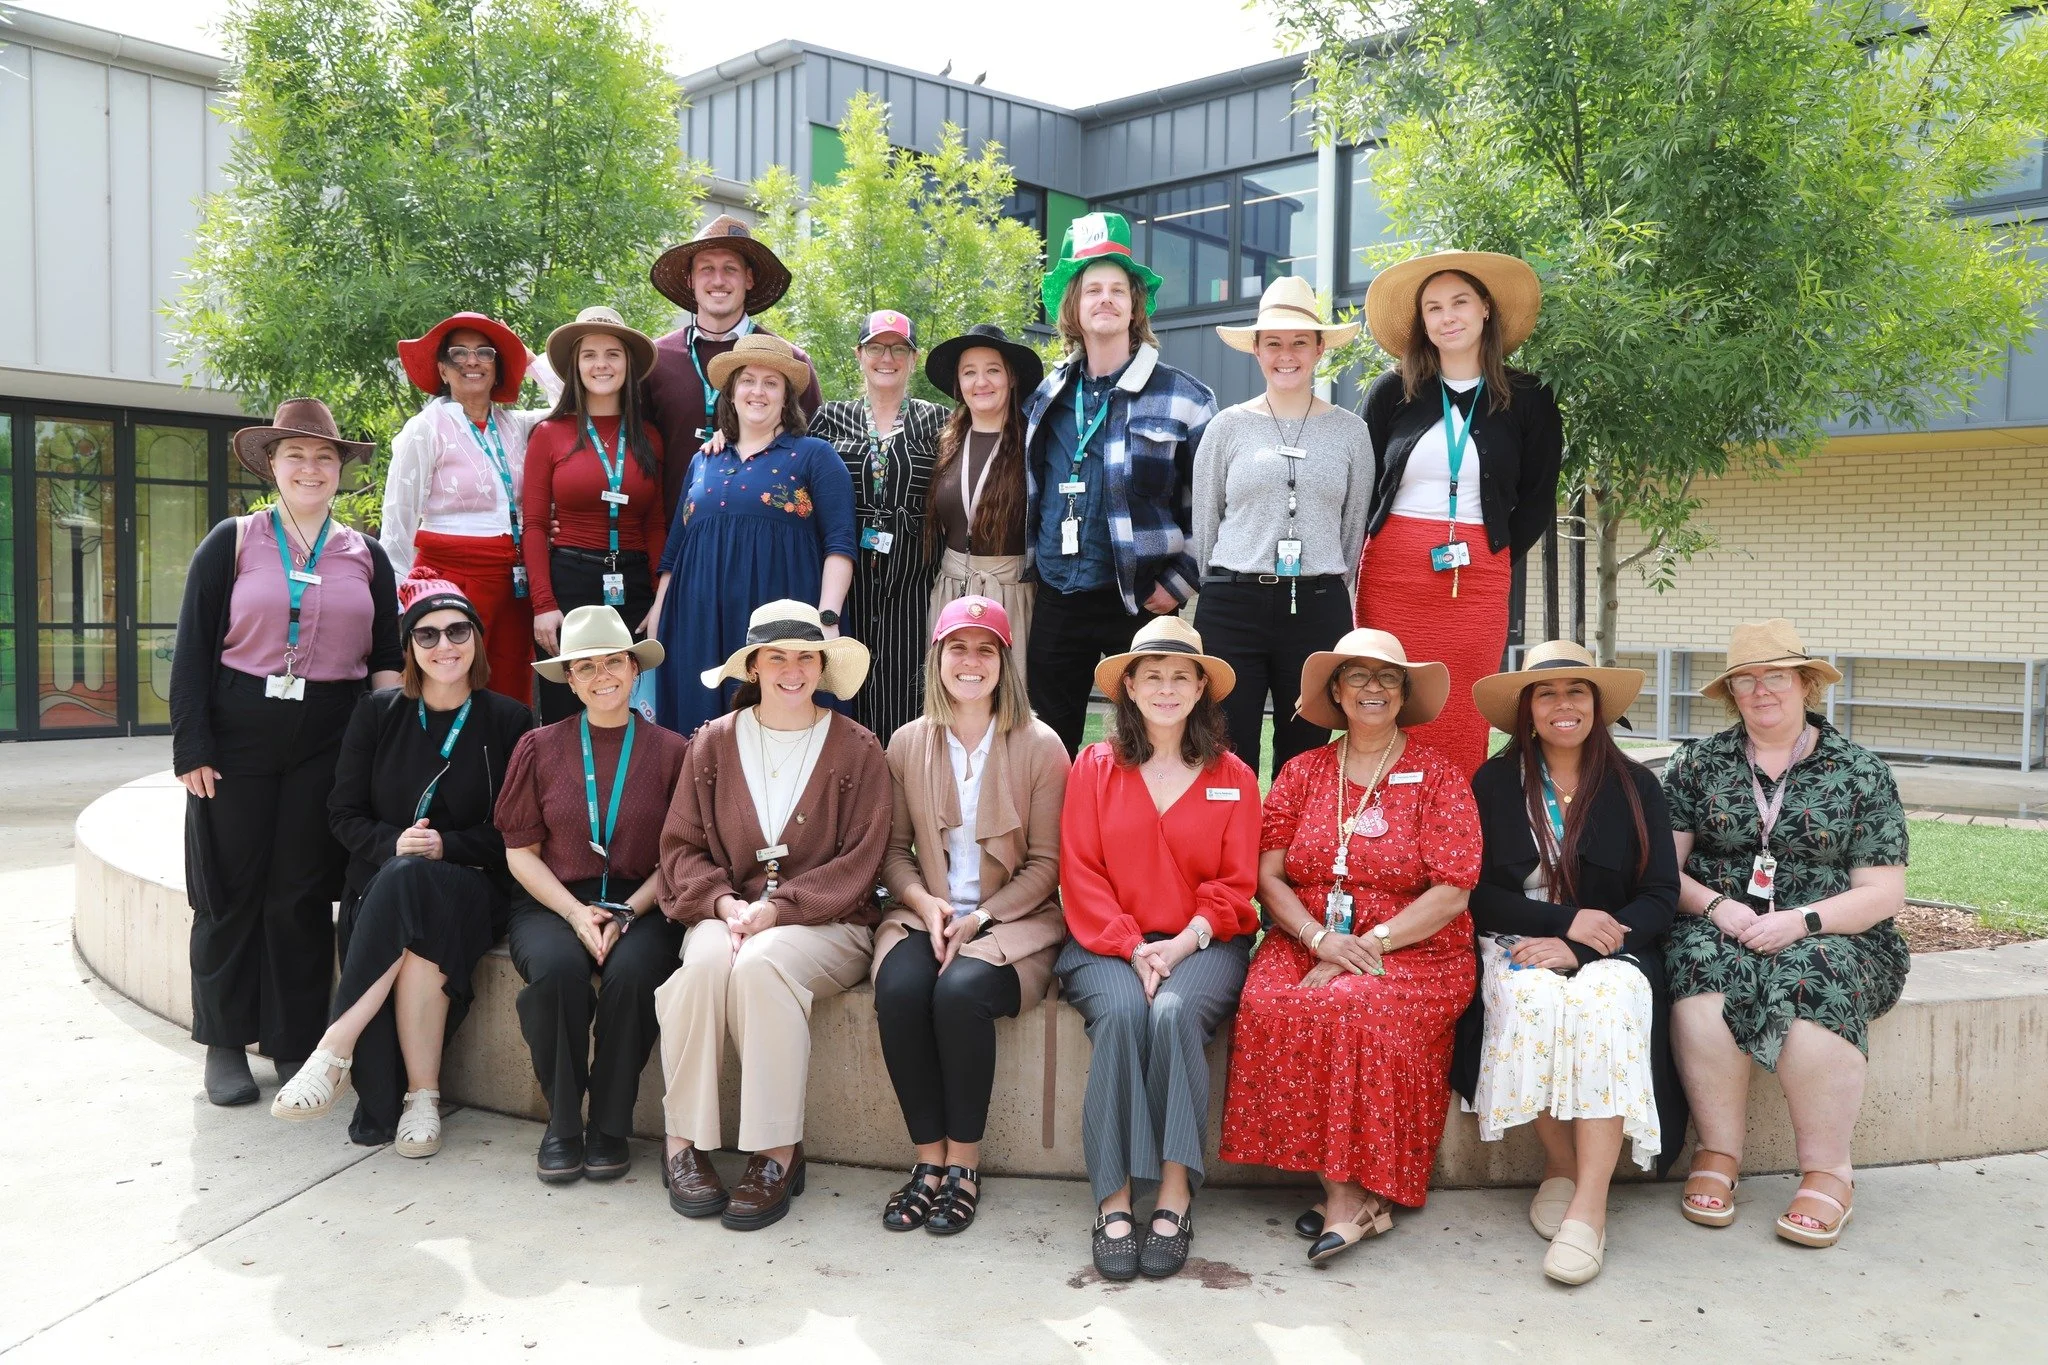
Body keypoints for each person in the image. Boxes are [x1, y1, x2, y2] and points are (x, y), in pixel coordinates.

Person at [1217, 628, 1480, 1264]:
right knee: (1269, 1001)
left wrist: (1371, 943)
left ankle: (1344, 1200)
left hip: (1416, 946)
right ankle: (1354, 1191)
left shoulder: (1439, 775)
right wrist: (1318, 939)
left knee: (1354, 1005)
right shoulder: (1302, 772)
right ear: (1336, 691)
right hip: (1309, 937)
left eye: (1387, 677)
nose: (1372, 688)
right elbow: (1267, 876)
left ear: (1404, 694)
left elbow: (1452, 890)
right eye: (1357, 675)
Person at [171, 399, 404, 1107]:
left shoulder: (367, 555)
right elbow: (192, 648)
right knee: (230, 888)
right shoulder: (234, 540)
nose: (310, 468)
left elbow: (385, 660)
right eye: (295, 455)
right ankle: (224, 1041)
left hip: (330, 733)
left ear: (340, 470)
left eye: (324, 457)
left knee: (301, 891)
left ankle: (293, 1039)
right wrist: (192, 745)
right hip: (238, 729)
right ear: (271, 465)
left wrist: (389, 746)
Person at [1662, 619, 1908, 1250]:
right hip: (1722, 920)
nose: (1761, 690)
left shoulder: (1859, 771)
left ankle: (1829, 1171)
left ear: (1805, 684)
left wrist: (1801, 921)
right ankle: (1718, 1151)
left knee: (1812, 975)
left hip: (1834, 929)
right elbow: (1664, 871)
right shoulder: (1697, 764)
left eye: (1775, 676)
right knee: (1703, 969)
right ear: (1731, 693)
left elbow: (1882, 893)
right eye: (1745, 680)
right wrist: (1717, 907)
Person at [271, 576, 536, 1152]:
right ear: (410, 648)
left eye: (458, 631)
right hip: (383, 887)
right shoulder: (377, 713)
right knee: (410, 900)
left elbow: (516, 834)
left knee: (415, 881)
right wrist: (394, 844)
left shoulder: (511, 721)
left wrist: (447, 846)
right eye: (427, 635)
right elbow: (342, 814)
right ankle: (422, 1096)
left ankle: (333, 1050)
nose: (445, 645)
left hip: (471, 886)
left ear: (477, 640)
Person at [1450, 641, 1684, 1285]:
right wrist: (1560, 924)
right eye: (1547, 693)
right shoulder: (1494, 783)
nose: (1563, 704)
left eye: (1577, 691)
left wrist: (1580, 945)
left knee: (1600, 1007)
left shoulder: (1636, 786)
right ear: (1526, 710)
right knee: (1534, 1001)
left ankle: (1591, 1205)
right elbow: (1474, 890)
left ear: (1597, 704)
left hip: (1613, 946)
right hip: (1519, 939)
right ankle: (1560, 1165)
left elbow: (1660, 896)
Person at [653, 601, 891, 1232]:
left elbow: (862, 861)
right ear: (754, 666)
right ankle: (682, 1143)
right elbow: (680, 847)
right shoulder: (712, 743)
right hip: (726, 910)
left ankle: (777, 1153)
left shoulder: (858, 749)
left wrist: (777, 911)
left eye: (806, 657)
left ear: (822, 665)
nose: (793, 670)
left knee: (761, 966)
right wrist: (726, 904)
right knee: (704, 965)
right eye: (777, 657)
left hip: (827, 923)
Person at [1057, 616, 1260, 1282]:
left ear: (1201, 688)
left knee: (1172, 1012)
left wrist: (1178, 945)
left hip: (1203, 943)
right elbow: (1080, 872)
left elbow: (1236, 884)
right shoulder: (1094, 766)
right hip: (1104, 941)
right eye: (1153, 676)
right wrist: (1131, 946)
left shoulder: (1234, 775)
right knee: (1122, 1013)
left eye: (1180, 676)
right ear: (1130, 687)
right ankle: (1113, 1200)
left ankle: (1174, 1195)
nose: (1166, 689)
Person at [871, 596, 1068, 1235]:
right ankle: (927, 1160)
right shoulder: (908, 743)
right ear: (938, 657)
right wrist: (925, 903)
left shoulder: (1041, 746)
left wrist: (980, 916)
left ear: (1005, 662)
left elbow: (1047, 864)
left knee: (959, 993)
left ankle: (964, 1164)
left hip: (1012, 920)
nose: (971, 661)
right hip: (924, 912)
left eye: (987, 649)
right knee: (900, 991)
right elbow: (894, 853)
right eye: (958, 647)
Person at [495, 606, 687, 1184]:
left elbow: (681, 856)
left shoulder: (674, 751)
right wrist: (577, 913)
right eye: (586, 667)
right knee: (555, 972)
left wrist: (627, 912)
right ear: (570, 681)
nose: (603, 676)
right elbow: (520, 853)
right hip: (554, 896)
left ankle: (608, 1124)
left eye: (613, 662)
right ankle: (562, 1122)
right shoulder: (537, 747)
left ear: (634, 669)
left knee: (634, 975)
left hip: (644, 898)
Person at [1355, 250, 1562, 778]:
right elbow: (1359, 487)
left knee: (1462, 707)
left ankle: (1455, 821)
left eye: (1460, 302)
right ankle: (1377, 818)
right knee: (1383, 698)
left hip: (1477, 579)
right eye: (1433, 308)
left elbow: (1538, 497)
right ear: (1422, 322)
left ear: (1486, 309)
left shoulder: (1529, 397)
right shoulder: (1393, 390)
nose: (1447, 317)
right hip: (1390, 574)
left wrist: (1496, 554)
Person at [1023, 212, 1217, 755]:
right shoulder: (1045, 397)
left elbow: (1212, 507)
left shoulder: (1187, 398)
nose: (1104, 300)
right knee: (1049, 747)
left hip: (1141, 600)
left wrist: (1180, 583)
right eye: (1092, 290)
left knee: (1150, 744)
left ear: (1135, 305)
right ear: (1073, 307)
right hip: (1058, 596)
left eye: (1117, 290)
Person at [1192, 276, 1376, 781]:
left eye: (1299, 342)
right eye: (1273, 342)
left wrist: (1324, 580)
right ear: (1256, 350)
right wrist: (1229, 581)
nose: (1286, 355)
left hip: (1317, 607)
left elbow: (1353, 528)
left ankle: (1292, 837)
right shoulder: (1226, 427)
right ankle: (1234, 835)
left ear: (1319, 349)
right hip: (1233, 605)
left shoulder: (1351, 432)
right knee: (1226, 750)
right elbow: (1205, 523)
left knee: (1305, 752)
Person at [650, 335, 856, 736]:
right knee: (701, 731)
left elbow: (840, 544)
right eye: (747, 380)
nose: (757, 391)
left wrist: (827, 619)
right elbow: (675, 549)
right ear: (731, 392)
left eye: (771, 383)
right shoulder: (702, 461)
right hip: (698, 621)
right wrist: (660, 614)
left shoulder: (814, 455)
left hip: (780, 625)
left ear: (786, 397)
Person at [384, 311, 563, 705]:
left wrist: (529, 359)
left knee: (510, 689)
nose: (472, 361)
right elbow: (397, 525)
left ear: (498, 369)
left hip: (514, 580)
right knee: (450, 688)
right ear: (442, 370)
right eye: (458, 353)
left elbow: (572, 399)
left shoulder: (517, 425)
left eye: (485, 353)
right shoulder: (424, 428)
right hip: (449, 578)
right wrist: (398, 605)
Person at [810, 310, 949, 745]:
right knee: (845, 686)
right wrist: (725, 435)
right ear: (859, 354)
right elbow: (785, 460)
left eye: (898, 349)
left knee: (909, 694)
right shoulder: (830, 418)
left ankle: (904, 780)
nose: (886, 358)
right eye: (875, 347)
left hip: (914, 586)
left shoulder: (940, 421)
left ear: (913, 358)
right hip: (846, 585)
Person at [523, 306, 665, 722]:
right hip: (570, 584)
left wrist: (659, 598)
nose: (601, 364)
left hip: (633, 587)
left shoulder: (649, 437)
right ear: (576, 366)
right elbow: (534, 525)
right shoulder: (549, 434)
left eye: (612, 354)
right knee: (568, 710)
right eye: (590, 355)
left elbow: (655, 523)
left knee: (633, 708)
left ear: (628, 365)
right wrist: (543, 604)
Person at [646, 214, 824, 521]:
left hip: (759, 536)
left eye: (730, 268)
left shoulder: (789, 362)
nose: (718, 280)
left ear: (749, 279)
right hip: (669, 535)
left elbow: (815, 459)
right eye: (706, 269)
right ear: (690, 280)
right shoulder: (655, 360)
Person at [922, 324, 1044, 674]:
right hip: (951, 591)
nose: (981, 382)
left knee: (1009, 696)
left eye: (993, 370)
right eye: (969, 372)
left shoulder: (1035, 444)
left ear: (1011, 378)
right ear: (958, 383)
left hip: (1012, 593)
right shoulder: (945, 444)